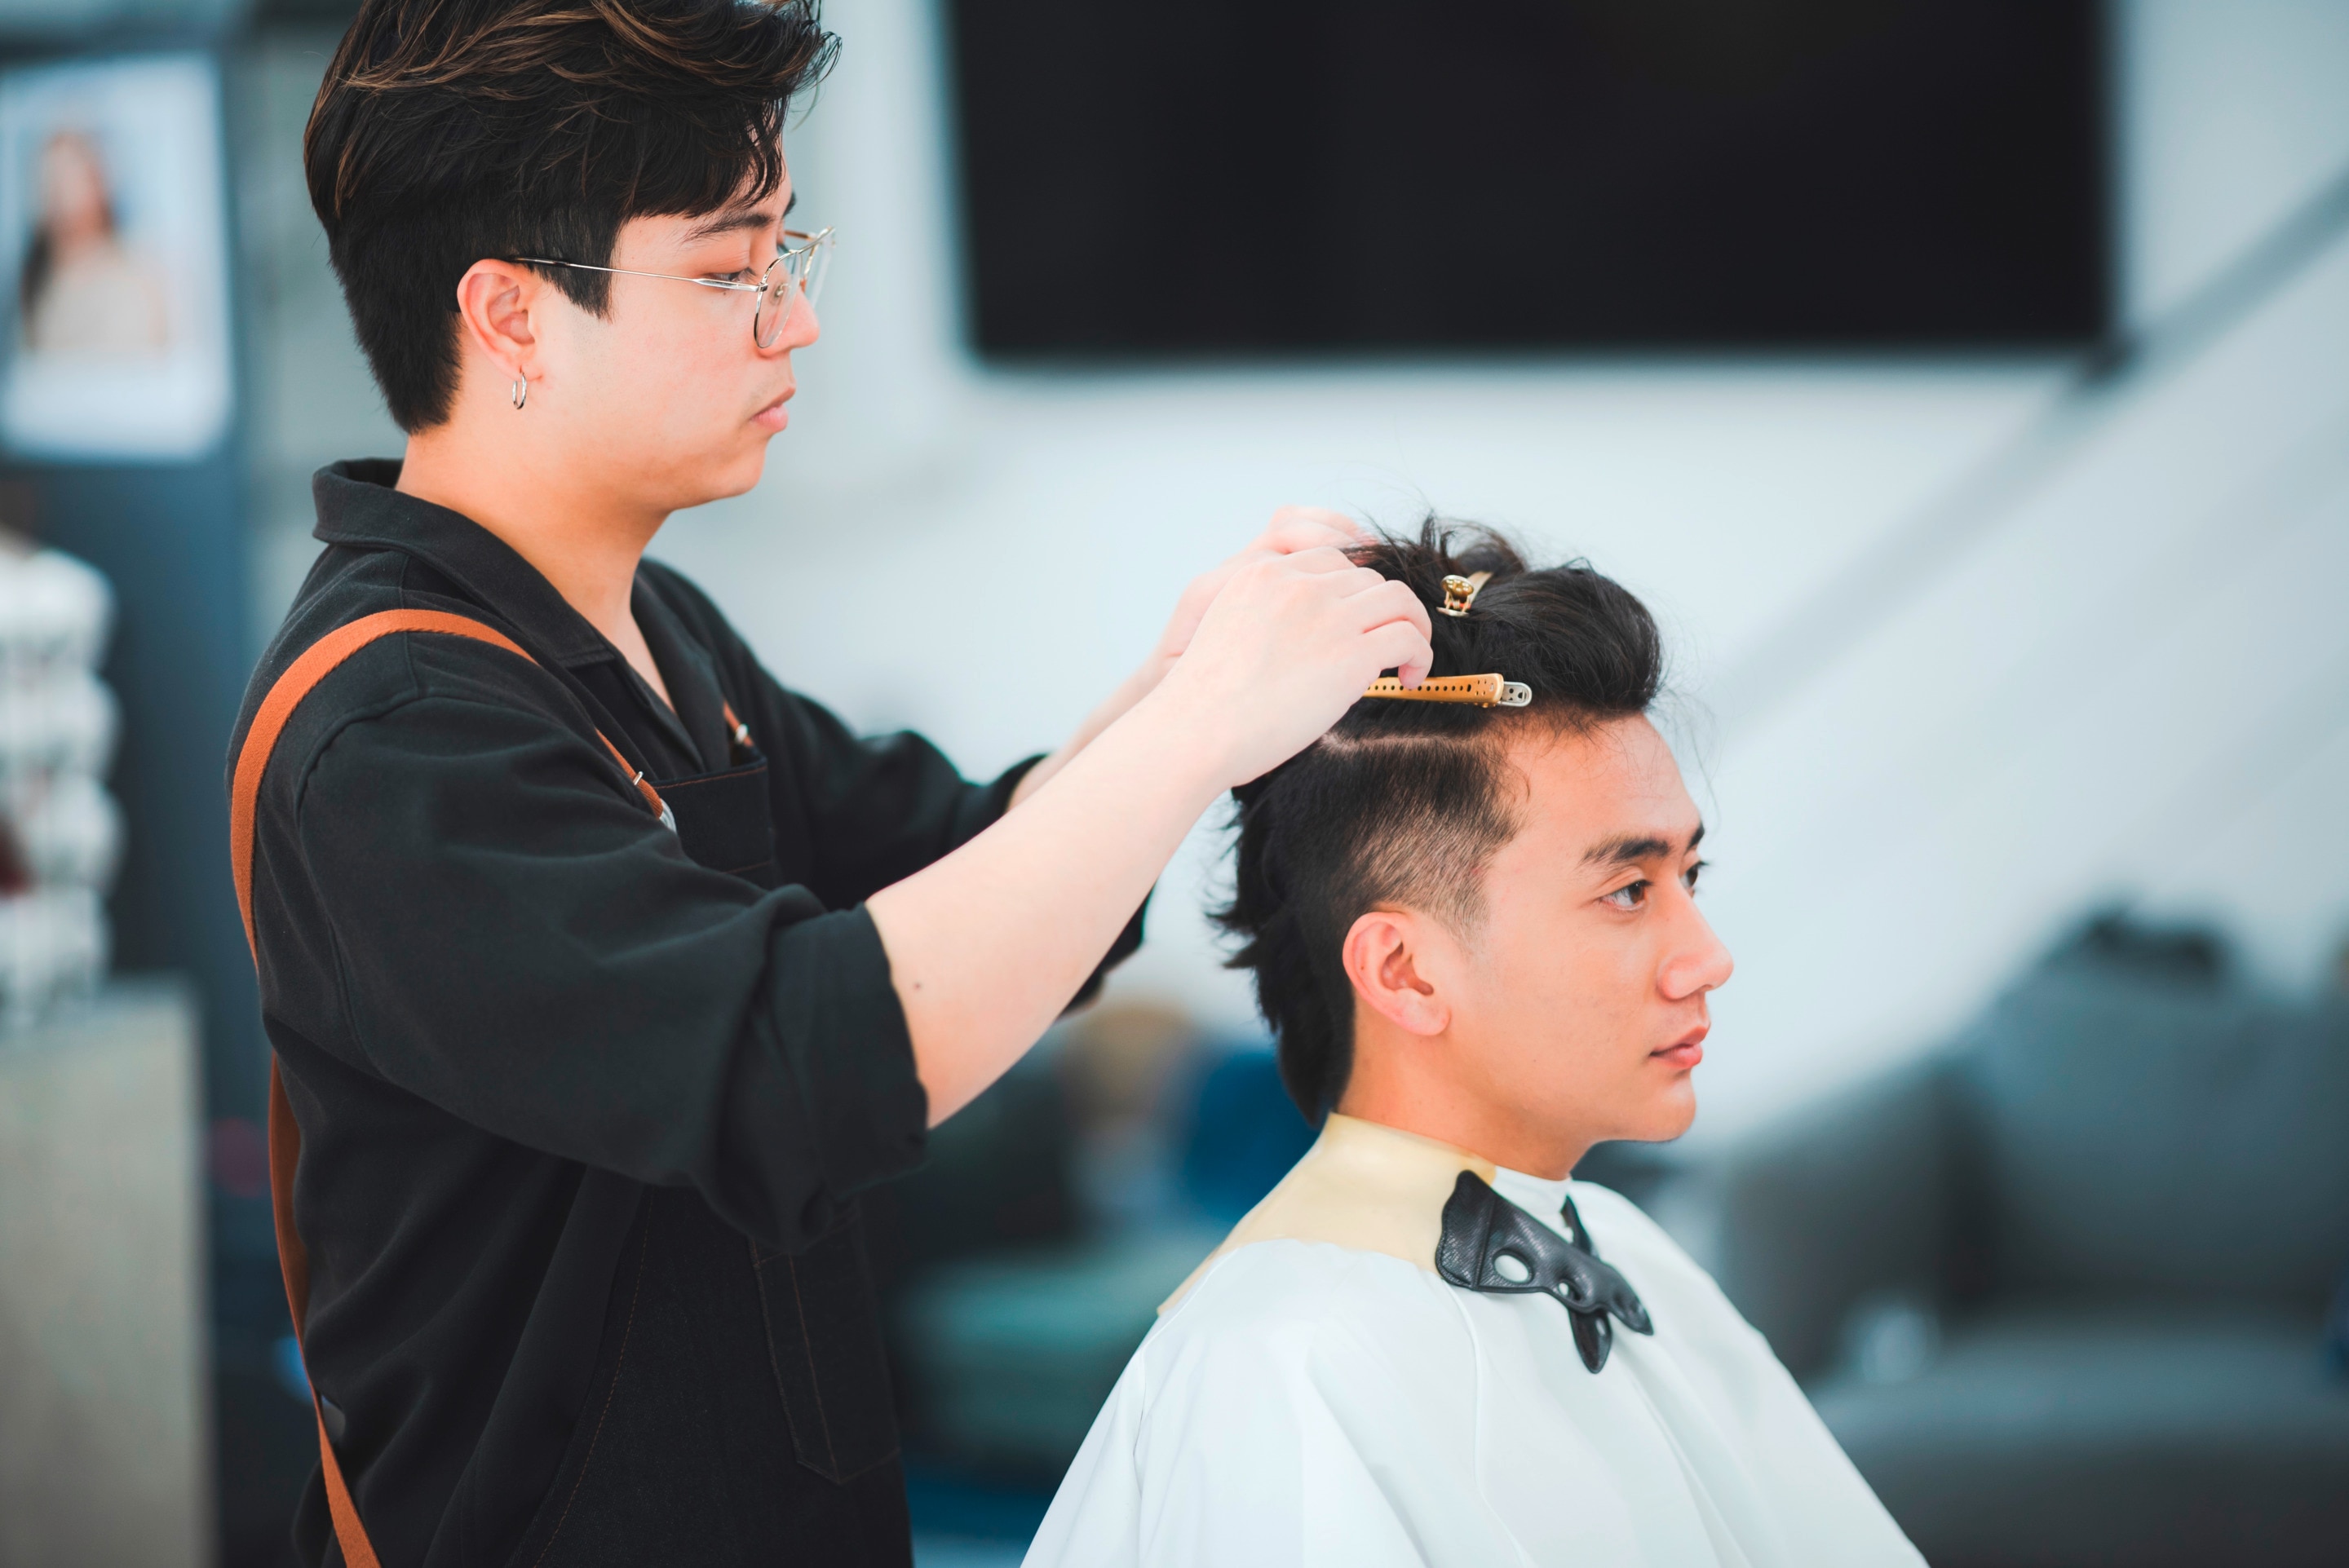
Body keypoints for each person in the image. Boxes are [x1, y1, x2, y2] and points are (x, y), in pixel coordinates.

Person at [228, 1, 1434, 1564]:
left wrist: (1185, 672)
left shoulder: (655, 625)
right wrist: (1198, 721)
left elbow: (964, 861)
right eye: (730, 273)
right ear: (511, 316)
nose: (792, 322)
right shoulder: (390, 732)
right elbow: (805, 1057)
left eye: (786, 258)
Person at [1025, 523, 1924, 1568]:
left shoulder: (1624, 1247)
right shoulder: (1283, 1369)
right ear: (1404, 971)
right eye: (1629, 891)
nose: (1707, 959)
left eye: (1691, 879)